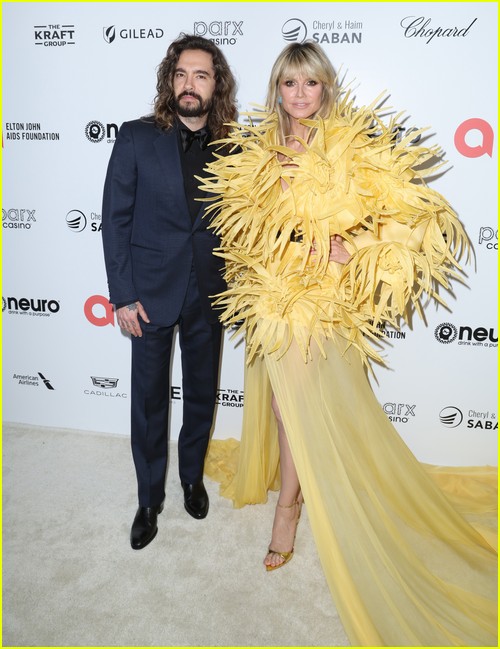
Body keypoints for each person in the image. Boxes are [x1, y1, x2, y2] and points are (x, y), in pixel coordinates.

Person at [201, 42, 497, 646]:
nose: (301, 95)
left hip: (322, 298)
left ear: (326, 88)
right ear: (277, 90)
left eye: (311, 83)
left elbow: (412, 218)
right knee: (287, 404)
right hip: (272, 291)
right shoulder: (259, 148)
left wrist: (354, 249)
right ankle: (294, 494)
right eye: (290, 84)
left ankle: (290, 508)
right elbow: (241, 222)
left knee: (298, 406)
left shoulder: (350, 144)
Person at [101, 34, 237, 550]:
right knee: (149, 401)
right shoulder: (136, 137)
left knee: (201, 394)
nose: (189, 84)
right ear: (169, 80)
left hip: (209, 291)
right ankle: (148, 499)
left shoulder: (234, 148)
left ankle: (191, 479)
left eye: (201, 75)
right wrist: (122, 295)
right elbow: (115, 221)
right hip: (149, 295)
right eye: (181, 74)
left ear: (215, 85)